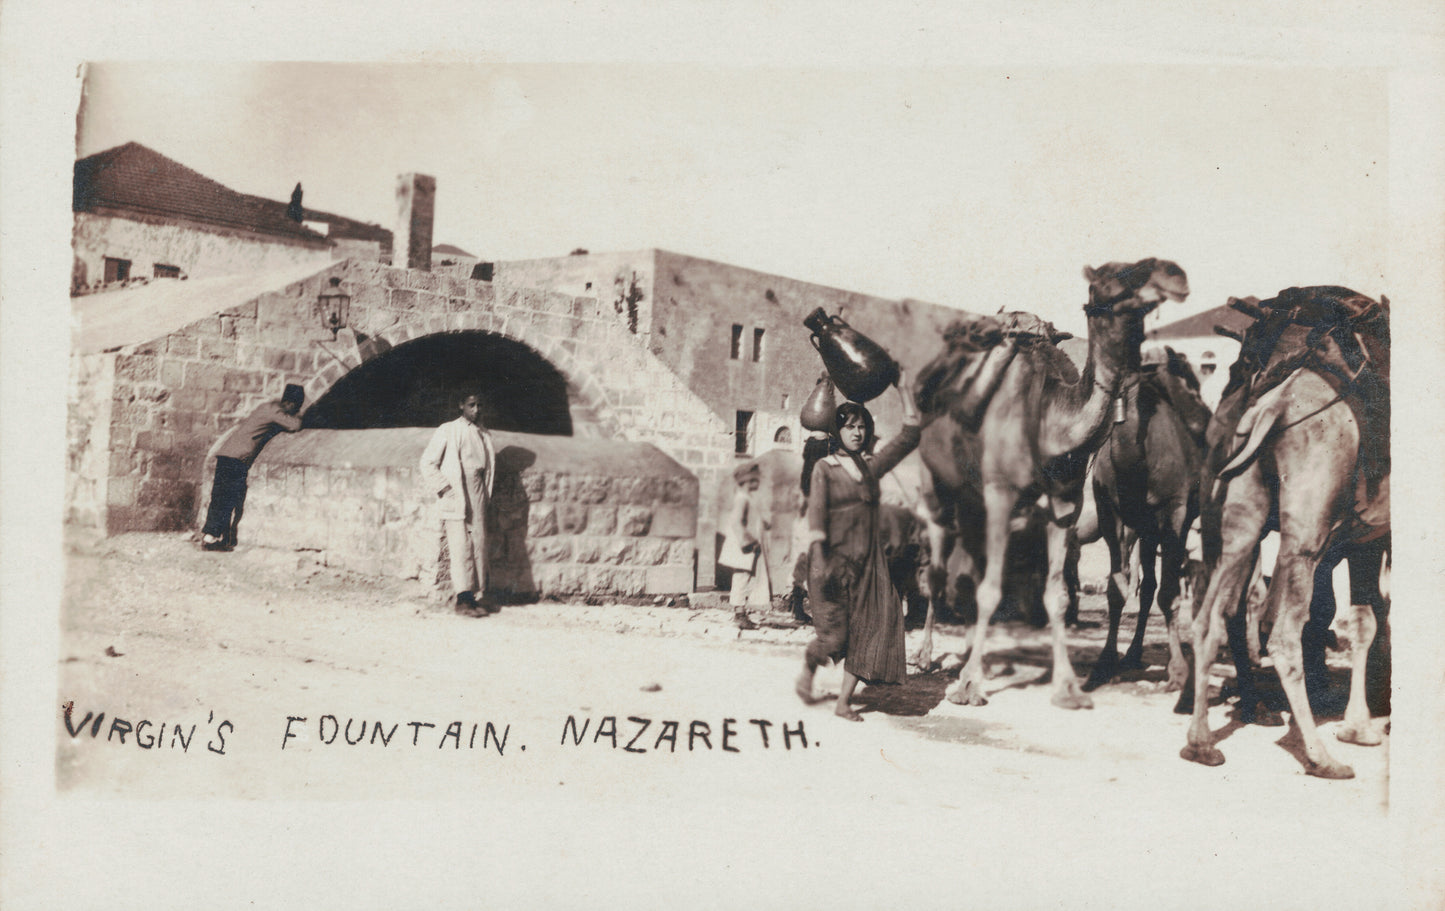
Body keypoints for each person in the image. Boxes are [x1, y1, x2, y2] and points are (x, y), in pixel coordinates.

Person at [796, 372, 922, 720]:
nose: (857, 432)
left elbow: (910, 436)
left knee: (875, 627)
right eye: (849, 426)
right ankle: (810, 665)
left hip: (871, 565)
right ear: (838, 431)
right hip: (832, 560)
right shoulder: (825, 467)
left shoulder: (870, 467)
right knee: (834, 639)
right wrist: (821, 567)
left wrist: (904, 388)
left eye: (861, 426)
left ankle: (843, 702)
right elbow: (817, 518)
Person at [200, 384, 305, 551]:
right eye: (296, 406)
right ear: (291, 404)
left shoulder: (266, 406)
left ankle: (210, 536)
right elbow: (295, 426)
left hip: (227, 452)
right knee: (228, 498)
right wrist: (299, 415)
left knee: (219, 495)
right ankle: (215, 538)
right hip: (238, 457)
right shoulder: (275, 412)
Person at [420, 392, 497, 617]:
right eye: (472, 405)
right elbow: (427, 462)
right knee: (460, 545)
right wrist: (444, 488)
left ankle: (477, 596)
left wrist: (484, 493)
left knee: (479, 544)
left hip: (478, 491)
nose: (476, 410)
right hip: (458, 492)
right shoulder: (448, 430)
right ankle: (463, 600)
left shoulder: (484, 433)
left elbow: (488, 467)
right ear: (461, 405)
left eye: (480, 405)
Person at [718, 462, 771, 630]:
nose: (758, 482)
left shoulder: (747, 497)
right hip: (742, 545)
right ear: (748, 480)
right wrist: (747, 541)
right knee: (741, 577)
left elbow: (751, 519)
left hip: (746, 544)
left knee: (744, 577)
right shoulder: (742, 498)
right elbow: (735, 521)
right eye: (755, 479)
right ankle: (739, 614)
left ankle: (741, 612)